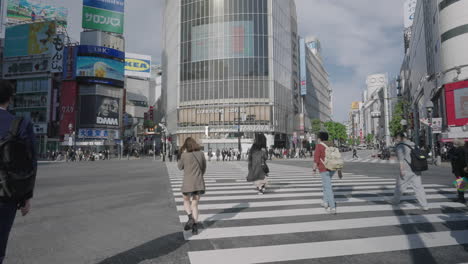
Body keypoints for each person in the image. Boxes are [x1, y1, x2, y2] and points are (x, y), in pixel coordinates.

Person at [0, 80, 37, 264]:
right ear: (10, 99)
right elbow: (31, 163)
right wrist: (27, 197)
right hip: (6, 194)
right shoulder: (21, 124)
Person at [391, 132, 429, 211]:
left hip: (407, 170)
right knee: (419, 188)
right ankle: (425, 205)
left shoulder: (400, 146)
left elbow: (401, 160)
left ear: (398, 138)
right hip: (416, 169)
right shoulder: (413, 144)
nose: (396, 141)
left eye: (396, 139)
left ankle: (395, 201)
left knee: (400, 186)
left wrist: (402, 170)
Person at [177, 137, 206, 235]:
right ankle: (195, 227)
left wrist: (181, 154)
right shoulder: (201, 154)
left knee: (186, 200)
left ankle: (190, 218)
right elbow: (203, 168)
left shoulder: (184, 155)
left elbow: (179, 167)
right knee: (195, 205)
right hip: (198, 183)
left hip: (187, 183)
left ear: (186, 146)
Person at [314, 132, 337, 214]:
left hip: (324, 169)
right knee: (326, 185)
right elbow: (337, 157)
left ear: (320, 138)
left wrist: (314, 169)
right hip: (333, 168)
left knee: (328, 187)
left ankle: (332, 207)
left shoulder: (319, 146)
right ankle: (325, 202)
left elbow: (316, 159)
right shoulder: (332, 145)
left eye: (318, 138)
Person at [448, 138, 466, 204]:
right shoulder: (464, 149)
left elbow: (451, 157)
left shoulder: (457, 150)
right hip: (462, 169)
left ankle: (461, 198)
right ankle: (461, 198)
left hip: (459, 169)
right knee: (461, 183)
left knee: (460, 183)